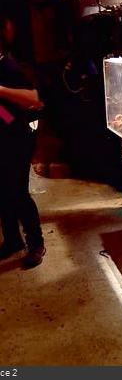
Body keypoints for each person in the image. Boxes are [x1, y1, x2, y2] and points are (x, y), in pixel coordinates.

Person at [0, 16, 46, 267]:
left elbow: (35, 101)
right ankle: (12, 240)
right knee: (2, 193)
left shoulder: (9, 67)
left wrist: (1, 92)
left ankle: (36, 243)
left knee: (17, 192)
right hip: (6, 133)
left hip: (16, 139)